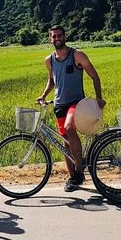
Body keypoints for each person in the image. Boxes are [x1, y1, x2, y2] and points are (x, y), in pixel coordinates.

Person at [36, 25, 106, 192]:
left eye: (59, 35)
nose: (57, 38)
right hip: (59, 104)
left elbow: (94, 76)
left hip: (76, 103)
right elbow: (52, 81)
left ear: (65, 36)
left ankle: (80, 172)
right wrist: (44, 95)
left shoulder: (77, 55)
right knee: (65, 143)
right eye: (53, 36)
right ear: (50, 39)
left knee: (69, 128)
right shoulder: (49, 60)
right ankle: (73, 177)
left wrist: (98, 97)